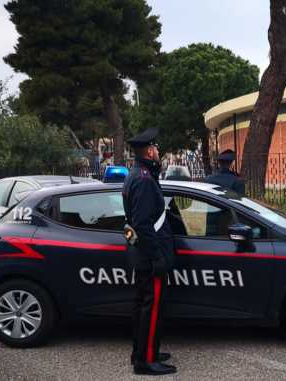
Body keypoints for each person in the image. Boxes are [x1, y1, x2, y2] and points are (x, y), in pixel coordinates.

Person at [122, 128, 177, 376]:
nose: (158, 151)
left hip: (141, 254)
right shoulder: (143, 179)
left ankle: (142, 351)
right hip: (149, 257)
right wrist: (157, 257)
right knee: (151, 308)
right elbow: (143, 223)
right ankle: (146, 361)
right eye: (156, 148)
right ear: (149, 150)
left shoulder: (140, 174)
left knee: (142, 306)